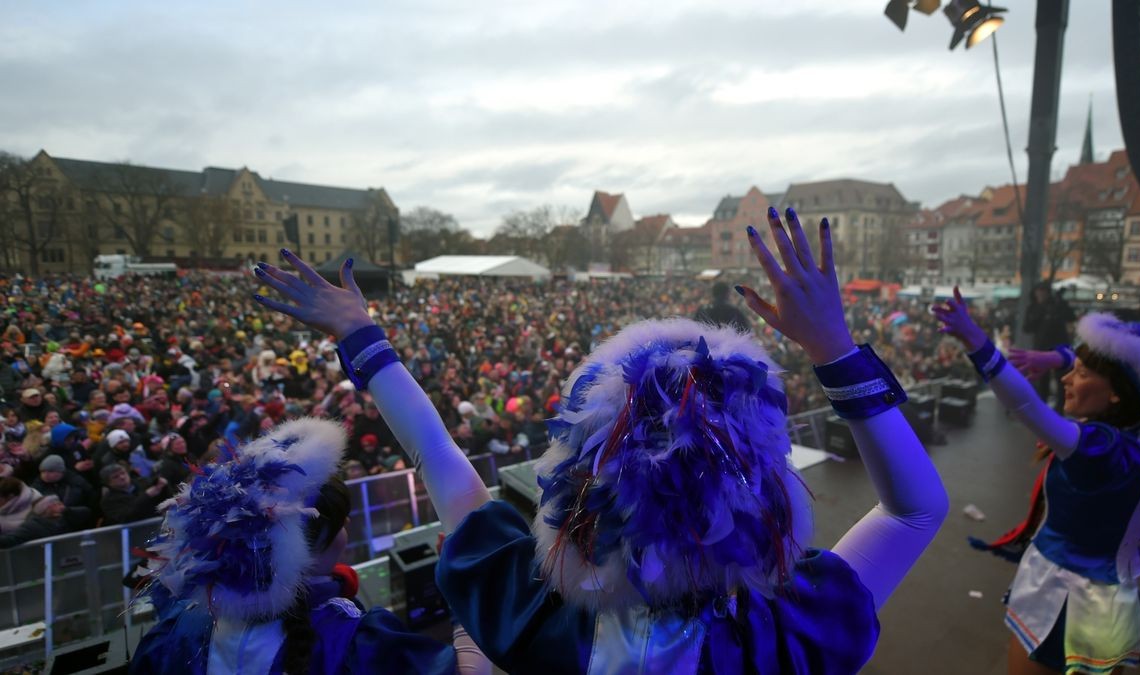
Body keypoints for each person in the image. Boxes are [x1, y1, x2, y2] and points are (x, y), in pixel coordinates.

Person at [253, 206, 949, 673]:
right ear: (756, 496)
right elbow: (914, 509)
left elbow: (441, 461)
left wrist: (363, 339)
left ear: (578, 491)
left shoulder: (528, 612)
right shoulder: (793, 631)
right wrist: (836, 348)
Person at [934, 289, 1140, 674]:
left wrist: (978, 343)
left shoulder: (1099, 447)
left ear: (1115, 394)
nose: (1068, 378)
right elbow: (1112, 367)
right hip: (1114, 607)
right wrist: (1057, 356)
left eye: (1081, 372)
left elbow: (1026, 406)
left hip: (1063, 599)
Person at [129, 417, 489, 674]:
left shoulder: (179, 628)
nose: (348, 525)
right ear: (300, 555)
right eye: (336, 525)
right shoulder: (351, 641)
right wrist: (466, 586)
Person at [1022, 282, 1076, 411]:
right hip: (1041, 346)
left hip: (1059, 346)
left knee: (1061, 378)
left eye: (1043, 291)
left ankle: (1060, 407)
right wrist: (1041, 311)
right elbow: (1027, 328)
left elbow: (1070, 316)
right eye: (1038, 291)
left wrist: (1060, 303)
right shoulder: (1033, 307)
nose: (1041, 293)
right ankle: (1042, 406)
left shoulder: (1057, 304)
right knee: (1042, 379)